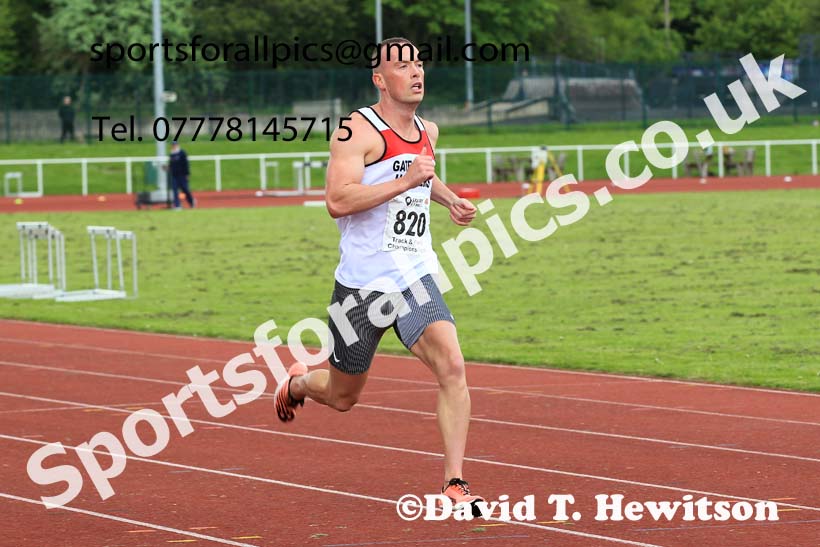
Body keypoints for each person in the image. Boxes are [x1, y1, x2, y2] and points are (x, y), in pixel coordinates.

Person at [274, 37, 484, 509]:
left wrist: (449, 200)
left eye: (419, 64)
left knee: (452, 365)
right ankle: (300, 382)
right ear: (379, 79)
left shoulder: (428, 129)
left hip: (413, 276)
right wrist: (405, 182)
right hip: (360, 287)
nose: (416, 72)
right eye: (403, 65)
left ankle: (454, 482)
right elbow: (337, 201)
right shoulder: (356, 131)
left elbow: (422, 173)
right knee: (343, 396)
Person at [168, 141, 195, 209]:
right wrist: (168, 168)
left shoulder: (182, 153)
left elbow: (186, 164)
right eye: (173, 145)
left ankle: (191, 201)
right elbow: (171, 165)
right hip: (174, 176)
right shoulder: (172, 154)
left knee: (185, 189)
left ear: (177, 145)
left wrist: (187, 174)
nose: (174, 146)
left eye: (175, 145)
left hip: (182, 175)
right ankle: (177, 205)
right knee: (175, 190)